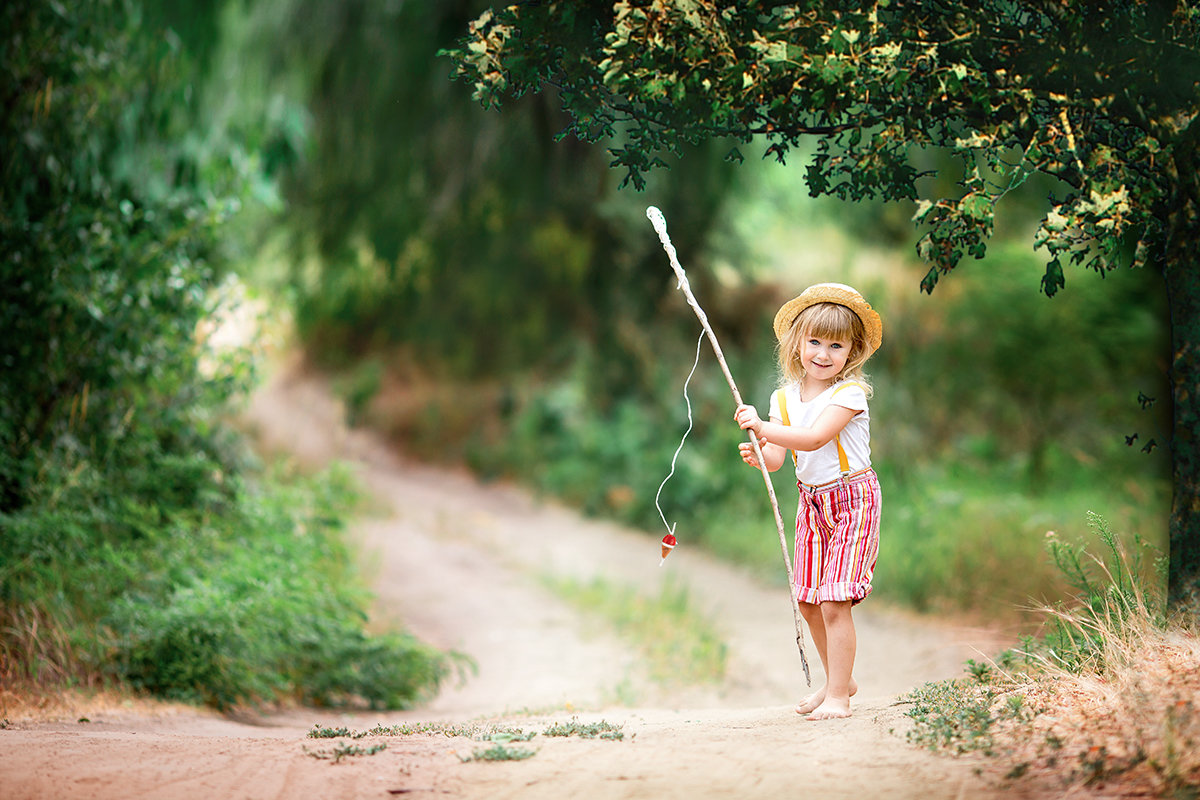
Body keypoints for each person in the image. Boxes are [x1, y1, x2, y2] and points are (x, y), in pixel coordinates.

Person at [733, 282, 883, 721]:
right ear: (797, 343)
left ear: (852, 351)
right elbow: (781, 457)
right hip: (812, 504)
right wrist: (760, 454)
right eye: (814, 341)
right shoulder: (783, 398)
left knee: (835, 599)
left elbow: (815, 438)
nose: (823, 353)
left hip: (852, 500)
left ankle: (839, 697)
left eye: (836, 345)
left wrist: (763, 428)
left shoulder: (849, 395)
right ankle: (841, 677)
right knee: (808, 599)